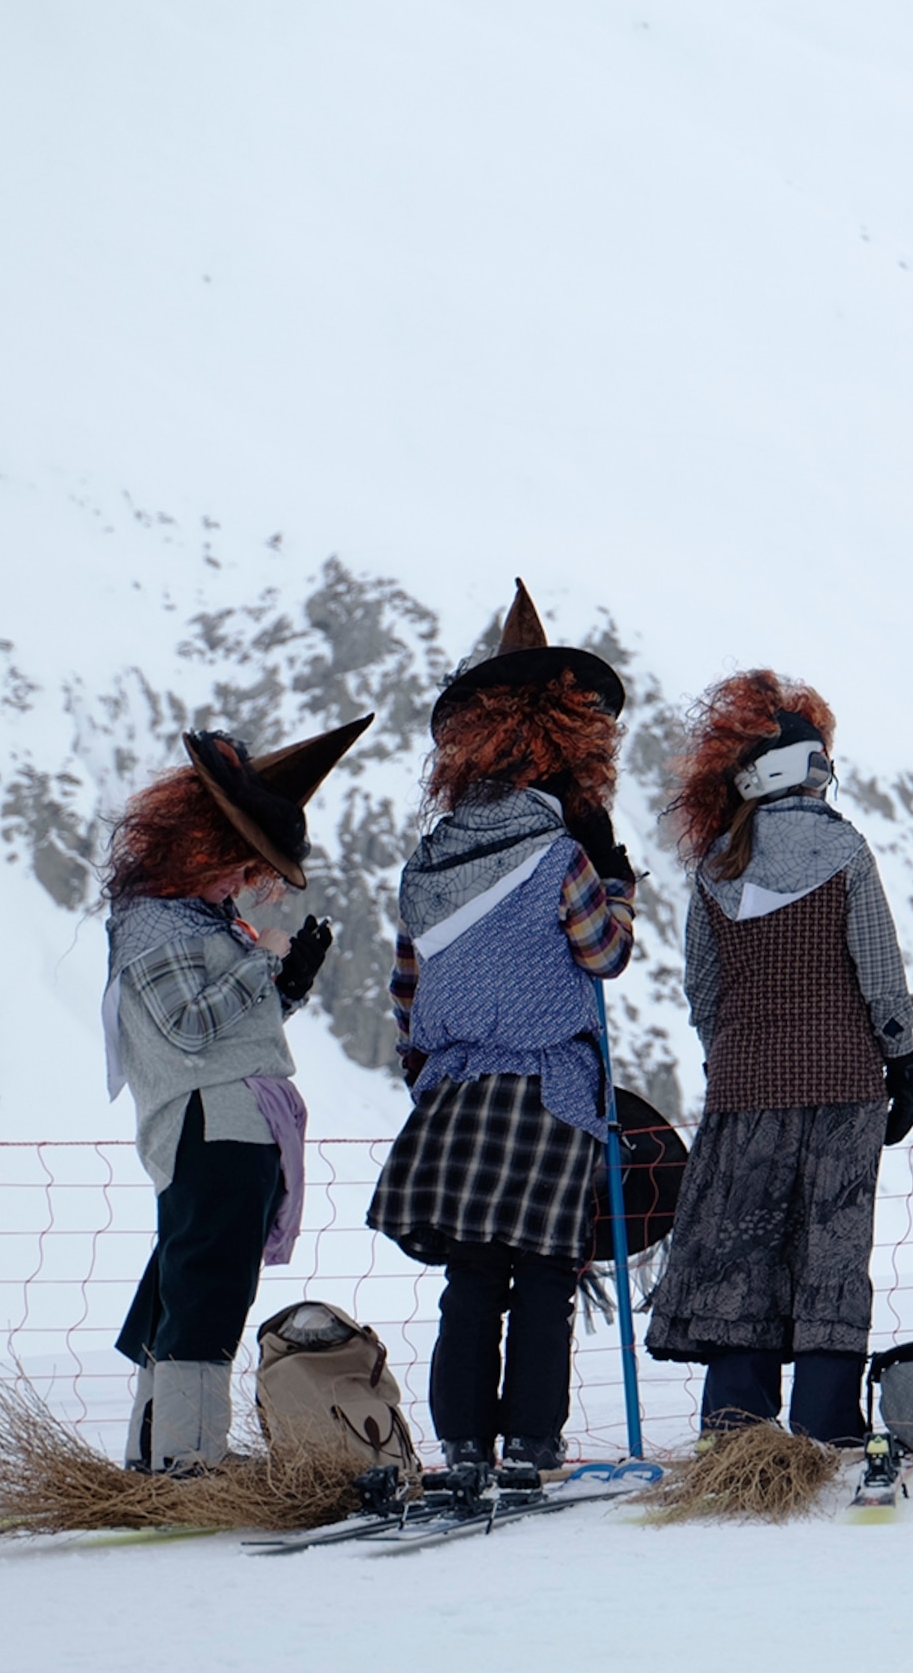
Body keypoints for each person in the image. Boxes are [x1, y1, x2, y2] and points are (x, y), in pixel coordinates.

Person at [367, 580, 639, 1491]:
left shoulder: (427, 863)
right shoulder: (564, 853)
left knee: (473, 1281)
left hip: (453, 1095)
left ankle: (464, 1450)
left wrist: (441, 1062)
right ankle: (531, 1445)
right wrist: (617, 882)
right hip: (550, 1089)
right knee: (547, 1279)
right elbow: (604, 956)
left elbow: (408, 991)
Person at [646, 672, 913, 1442]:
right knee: (832, 1246)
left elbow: (701, 988)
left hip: (744, 1082)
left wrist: (729, 1054)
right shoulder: (843, 848)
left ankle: (736, 1424)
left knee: (744, 1246)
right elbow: (877, 966)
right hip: (843, 1080)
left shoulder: (717, 866)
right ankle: (827, 1425)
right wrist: (899, 1058)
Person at [104, 715, 371, 1471]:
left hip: (223, 1117)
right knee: (208, 1293)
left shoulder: (189, 919)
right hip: (213, 1120)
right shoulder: (157, 923)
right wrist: (262, 961)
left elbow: (226, 1025)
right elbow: (189, 1027)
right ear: (201, 848)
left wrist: (286, 984)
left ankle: (158, 1458)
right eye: (239, 863)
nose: (245, 882)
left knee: (185, 1286)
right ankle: (189, 1463)